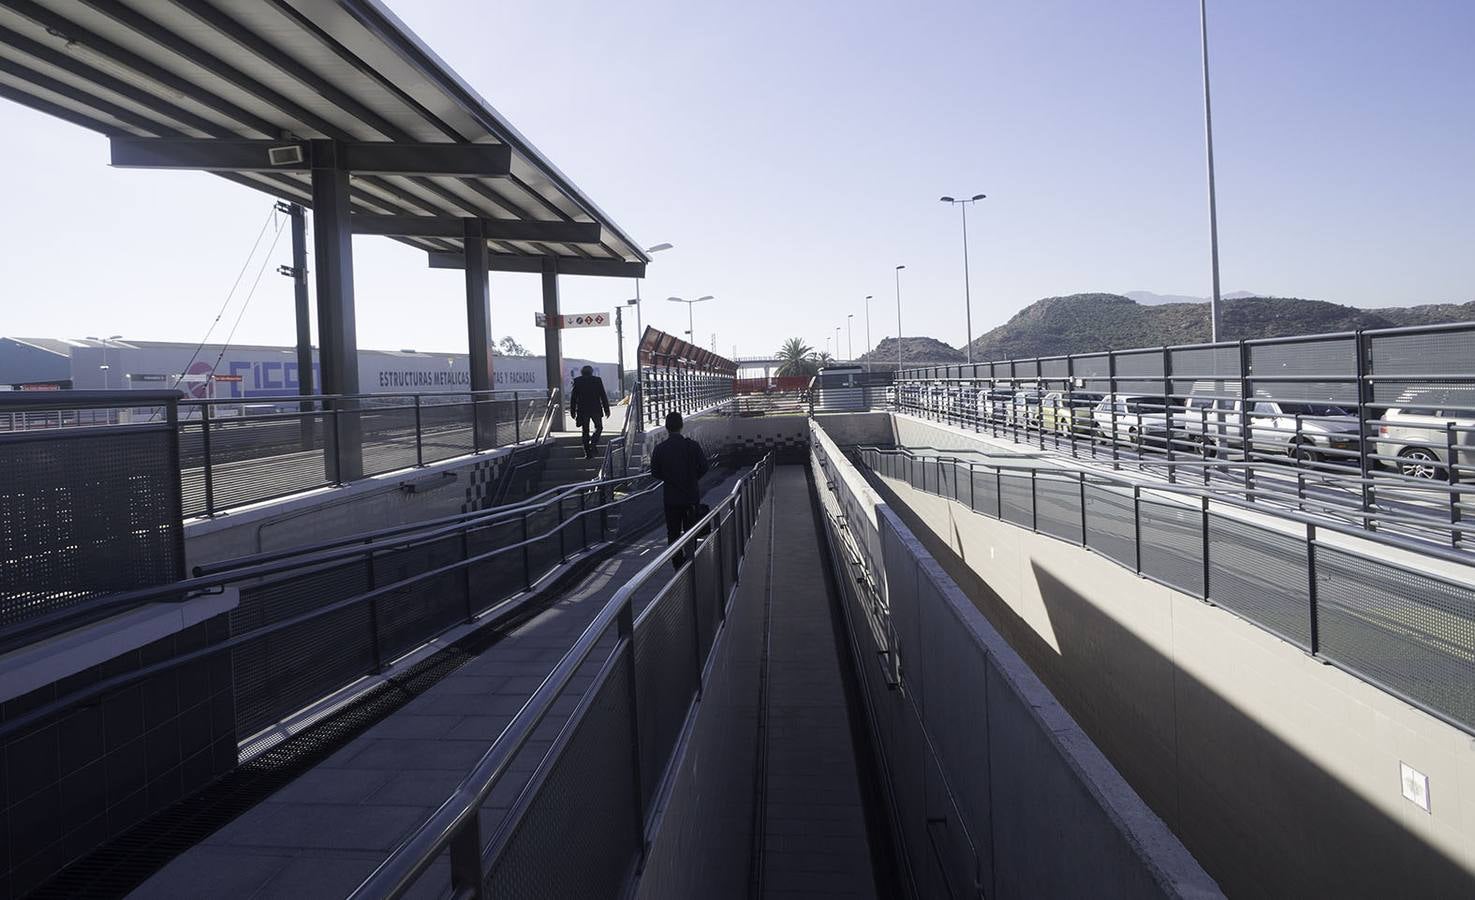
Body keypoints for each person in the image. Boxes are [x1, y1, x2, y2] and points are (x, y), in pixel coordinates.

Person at [649, 410, 709, 570]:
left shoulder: (660, 449)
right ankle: (690, 562)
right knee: (691, 531)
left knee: (673, 533)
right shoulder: (692, 446)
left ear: (666, 428)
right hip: (690, 496)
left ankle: (678, 566)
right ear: (681, 426)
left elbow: (654, 472)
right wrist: (692, 478)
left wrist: (669, 479)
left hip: (671, 498)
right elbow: (704, 466)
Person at [568, 365, 610, 459]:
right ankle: (593, 442)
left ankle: (587, 453)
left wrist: (572, 411)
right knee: (599, 427)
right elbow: (603, 395)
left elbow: (573, 398)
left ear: (582, 372)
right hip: (595, 409)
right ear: (591, 372)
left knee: (585, 431)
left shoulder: (577, 381)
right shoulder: (597, 380)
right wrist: (607, 409)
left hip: (583, 410)